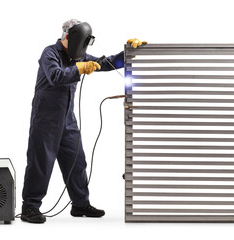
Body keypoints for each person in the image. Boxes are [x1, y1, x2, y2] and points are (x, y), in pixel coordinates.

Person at [21, 19, 146, 224]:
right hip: (45, 121)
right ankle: (30, 207)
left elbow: (105, 63)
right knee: (41, 163)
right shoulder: (50, 53)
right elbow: (55, 75)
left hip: (67, 121)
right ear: (69, 37)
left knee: (77, 162)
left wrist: (128, 54)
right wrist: (79, 68)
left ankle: (80, 205)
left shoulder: (77, 56)